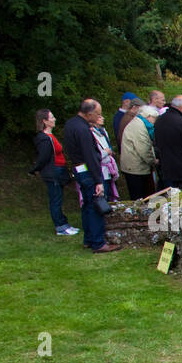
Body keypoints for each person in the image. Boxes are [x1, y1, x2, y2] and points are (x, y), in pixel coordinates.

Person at [61, 98, 121, 253]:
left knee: (88, 205)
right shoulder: (83, 129)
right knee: (96, 205)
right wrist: (98, 180)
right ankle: (98, 242)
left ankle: (89, 239)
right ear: (89, 113)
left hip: (79, 169)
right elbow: (91, 156)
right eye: (98, 114)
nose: (99, 116)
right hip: (88, 170)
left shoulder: (71, 124)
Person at [29, 109, 79, 236]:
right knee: (55, 199)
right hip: (53, 172)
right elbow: (44, 157)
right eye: (51, 117)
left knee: (58, 198)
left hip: (59, 170)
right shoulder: (44, 138)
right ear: (44, 121)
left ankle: (64, 224)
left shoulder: (51, 136)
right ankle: (60, 227)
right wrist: (34, 170)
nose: (54, 119)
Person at [119, 104, 160, 199]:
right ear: (149, 116)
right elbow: (144, 149)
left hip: (134, 166)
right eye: (154, 119)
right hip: (135, 168)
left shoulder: (138, 122)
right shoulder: (139, 127)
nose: (154, 122)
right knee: (139, 196)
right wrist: (153, 161)